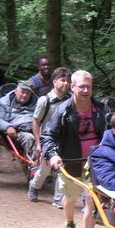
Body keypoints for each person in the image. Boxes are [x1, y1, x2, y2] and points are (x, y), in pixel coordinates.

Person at [41, 70, 110, 228]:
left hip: (94, 164)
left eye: (89, 86)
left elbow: (110, 134)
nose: (86, 90)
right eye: (82, 86)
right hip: (70, 164)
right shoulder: (62, 111)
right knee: (70, 198)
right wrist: (53, 155)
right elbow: (47, 135)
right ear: (72, 87)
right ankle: (70, 223)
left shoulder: (102, 110)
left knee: (91, 199)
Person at [28, 67, 71, 204]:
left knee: (62, 169)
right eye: (62, 80)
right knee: (45, 170)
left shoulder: (71, 100)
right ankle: (34, 186)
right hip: (48, 140)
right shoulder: (44, 100)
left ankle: (58, 199)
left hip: (64, 140)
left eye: (68, 81)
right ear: (54, 81)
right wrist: (38, 143)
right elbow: (36, 122)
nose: (66, 83)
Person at [0, 80, 37, 159]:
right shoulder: (4, 101)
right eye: (22, 92)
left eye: (28, 93)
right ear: (16, 91)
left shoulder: (38, 102)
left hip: (35, 128)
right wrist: (7, 127)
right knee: (29, 138)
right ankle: (34, 165)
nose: (24, 95)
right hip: (17, 131)